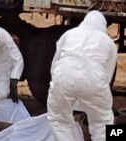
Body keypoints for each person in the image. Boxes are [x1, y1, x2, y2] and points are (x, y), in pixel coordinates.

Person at [47, 10, 117, 141]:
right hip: (94, 82)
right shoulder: (109, 42)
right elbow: (107, 76)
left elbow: (55, 64)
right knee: (102, 123)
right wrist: (93, 98)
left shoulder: (68, 34)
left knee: (59, 120)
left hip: (63, 78)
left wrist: (58, 86)